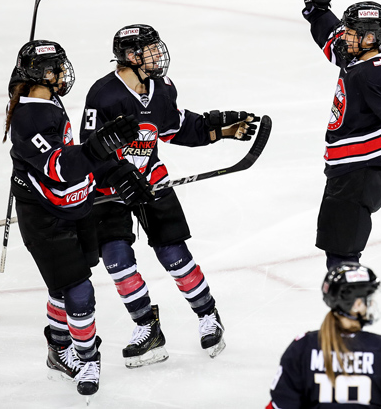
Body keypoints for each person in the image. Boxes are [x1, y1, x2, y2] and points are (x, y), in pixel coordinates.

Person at [79, 23, 259, 367]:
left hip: (150, 179)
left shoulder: (161, 88)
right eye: (149, 50)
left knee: (173, 251)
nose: (157, 55)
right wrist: (117, 177)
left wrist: (221, 130)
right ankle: (147, 327)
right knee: (117, 260)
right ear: (130, 56)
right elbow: (89, 151)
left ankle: (208, 315)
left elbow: (178, 128)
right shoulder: (102, 95)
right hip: (109, 189)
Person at [4, 39, 151, 397]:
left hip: (74, 207)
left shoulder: (46, 102)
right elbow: (60, 167)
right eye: (54, 68)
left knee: (64, 284)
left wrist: (116, 173)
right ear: (38, 75)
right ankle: (87, 357)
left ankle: (56, 346)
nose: (61, 73)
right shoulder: (28, 117)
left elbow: (76, 159)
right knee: (79, 291)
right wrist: (100, 145)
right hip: (45, 218)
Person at [287, 0, 381, 270]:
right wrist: (315, 2)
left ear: (370, 38)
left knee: (342, 259)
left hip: (361, 174)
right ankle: (348, 312)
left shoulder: (377, 70)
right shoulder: (358, 57)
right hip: (349, 173)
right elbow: (330, 37)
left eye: (351, 32)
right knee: (338, 254)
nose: (344, 37)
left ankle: (351, 314)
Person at [268, 263, 381, 408]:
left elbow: (277, 406)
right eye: (369, 298)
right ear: (357, 304)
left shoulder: (302, 348)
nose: (372, 303)